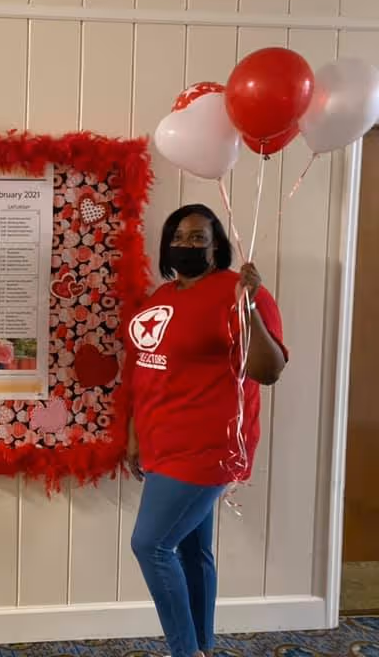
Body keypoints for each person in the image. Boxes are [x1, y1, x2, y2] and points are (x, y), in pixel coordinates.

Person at [122, 204, 288, 657]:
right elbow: (146, 370)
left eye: (199, 237)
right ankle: (203, 646)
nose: (188, 245)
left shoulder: (238, 293)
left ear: (217, 246)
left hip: (206, 447)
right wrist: (136, 435)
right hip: (161, 443)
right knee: (193, 552)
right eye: (180, 236)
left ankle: (185, 652)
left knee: (151, 545)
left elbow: (268, 371)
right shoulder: (163, 296)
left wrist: (250, 307)